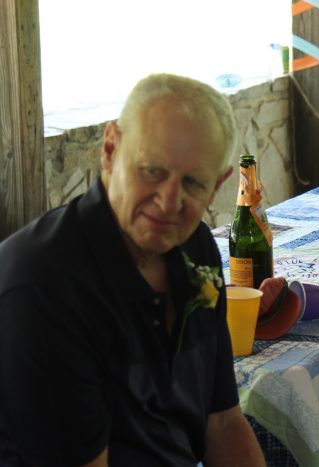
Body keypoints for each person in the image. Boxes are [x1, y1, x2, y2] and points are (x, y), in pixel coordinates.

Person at [0, 73, 266, 466]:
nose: (168, 202)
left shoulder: (195, 247)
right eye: (152, 171)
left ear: (217, 186)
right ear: (110, 150)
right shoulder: (43, 284)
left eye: (192, 182)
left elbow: (223, 423)